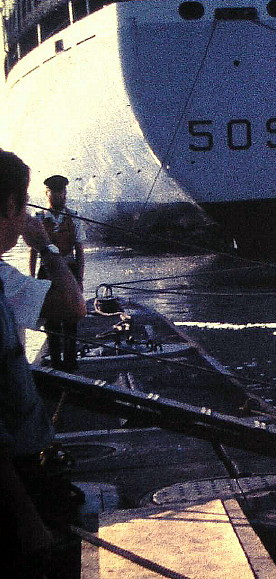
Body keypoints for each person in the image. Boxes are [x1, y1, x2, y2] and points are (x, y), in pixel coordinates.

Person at [0, 149, 86, 576]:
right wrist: (26, 519)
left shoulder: (3, 279)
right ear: (13, 206)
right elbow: (73, 303)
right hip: (16, 480)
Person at [29, 174, 85, 371]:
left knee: (70, 317)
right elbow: (33, 252)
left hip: (68, 269)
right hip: (46, 272)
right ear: (48, 194)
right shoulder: (39, 219)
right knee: (51, 319)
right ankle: (55, 362)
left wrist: (79, 279)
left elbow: (79, 251)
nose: (62, 196)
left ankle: (71, 364)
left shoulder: (74, 217)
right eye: (57, 193)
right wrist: (33, 279)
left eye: (64, 192)